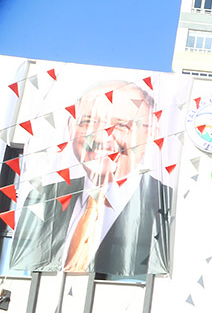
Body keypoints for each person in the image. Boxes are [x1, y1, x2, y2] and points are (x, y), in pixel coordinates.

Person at [11, 80, 172, 276]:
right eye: (88, 122)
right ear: (71, 127)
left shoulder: (167, 206)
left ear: (151, 135)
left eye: (121, 125)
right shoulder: (43, 198)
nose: (100, 137)